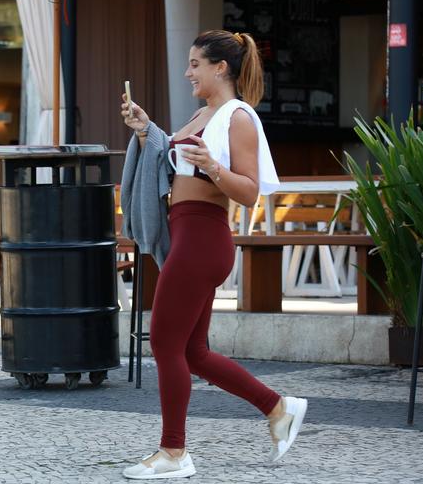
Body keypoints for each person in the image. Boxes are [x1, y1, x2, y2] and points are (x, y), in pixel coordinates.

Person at [119, 30, 308, 480]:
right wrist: (147, 130)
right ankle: (278, 408)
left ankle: (174, 451)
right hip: (189, 234)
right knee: (194, 351)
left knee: (164, 341)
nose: (188, 72)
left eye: (195, 64)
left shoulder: (238, 116)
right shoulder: (204, 114)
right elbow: (170, 157)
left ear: (220, 67)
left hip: (203, 238)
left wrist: (213, 167)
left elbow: (249, 191)